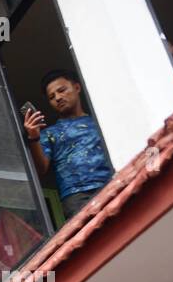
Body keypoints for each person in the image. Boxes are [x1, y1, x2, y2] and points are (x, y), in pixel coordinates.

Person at [23, 69, 114, 219]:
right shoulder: (49, 133)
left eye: (62, 90)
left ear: (77, 88)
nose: (58, 97)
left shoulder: (100, 121)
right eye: (51, 97)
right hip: (76, 196)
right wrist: (33, 138)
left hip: (111, 182)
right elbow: (40, 169)